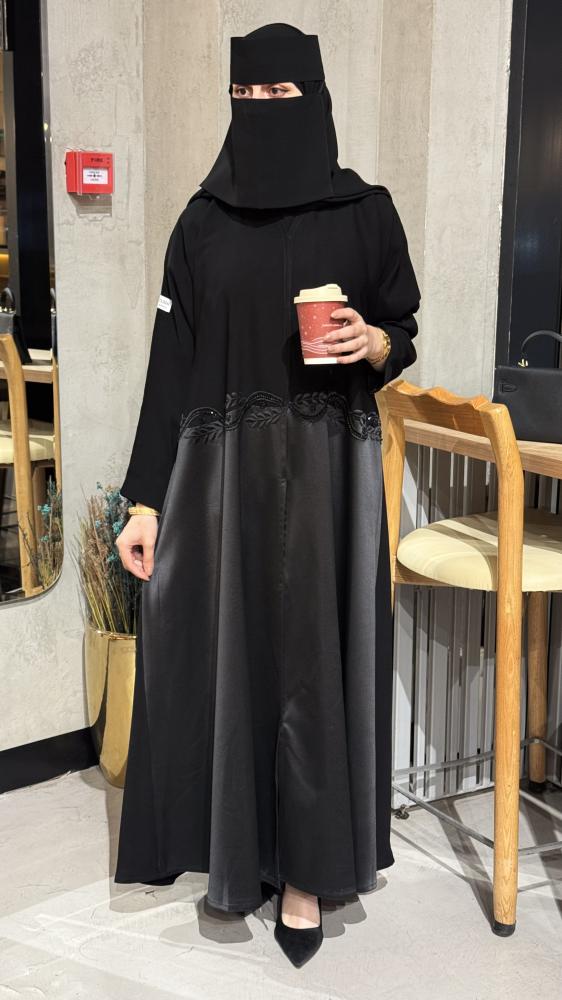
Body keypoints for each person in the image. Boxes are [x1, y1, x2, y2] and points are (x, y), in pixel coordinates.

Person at [114, 22, 421, 968]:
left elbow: (401, 328)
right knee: (231, 658)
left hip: (329, 480)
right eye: (244, 96)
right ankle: (240, 851)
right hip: (225, 485)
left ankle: (306, 876)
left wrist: (373, 343)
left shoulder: (365, 214)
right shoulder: (201, 223)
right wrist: (144, 500)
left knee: (312, 665)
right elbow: (171, 365)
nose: (259, 111)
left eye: (278, 95)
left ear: (314, 97)